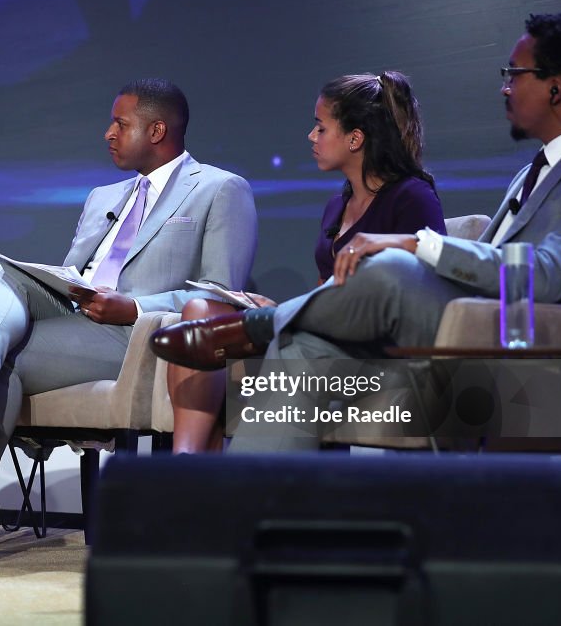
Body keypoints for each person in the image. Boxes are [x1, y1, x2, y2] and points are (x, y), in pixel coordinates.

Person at [152, 13, 561, 453]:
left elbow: (548, 276)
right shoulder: (535, 172)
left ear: (556, 88)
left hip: (535, 346)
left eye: (514, 74)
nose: (505, 88)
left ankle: (255, 328)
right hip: (469, 327)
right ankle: (246, 509)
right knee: (301, 350)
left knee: (389, 266)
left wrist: (416, 243)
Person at [0, 78, 258, 569]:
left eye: (120, 123)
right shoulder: (103, 196)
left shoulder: (219, 188)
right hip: (74, 316)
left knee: (3, 363)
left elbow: (221, 296)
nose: (108, 133)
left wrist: (133, 307)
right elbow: (70, 276)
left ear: (156, 130)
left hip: (137, 337)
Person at [167, 71, 446, 453]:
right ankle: (188, 462)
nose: (311, 136)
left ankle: (230, 479)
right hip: (325, 326)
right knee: (201, 310)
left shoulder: (412, 197)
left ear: (355, 138)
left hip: (374, 348)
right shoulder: (337, 205)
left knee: (267, 349)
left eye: (321, 127)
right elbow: (326, 289)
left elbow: (424, 286)